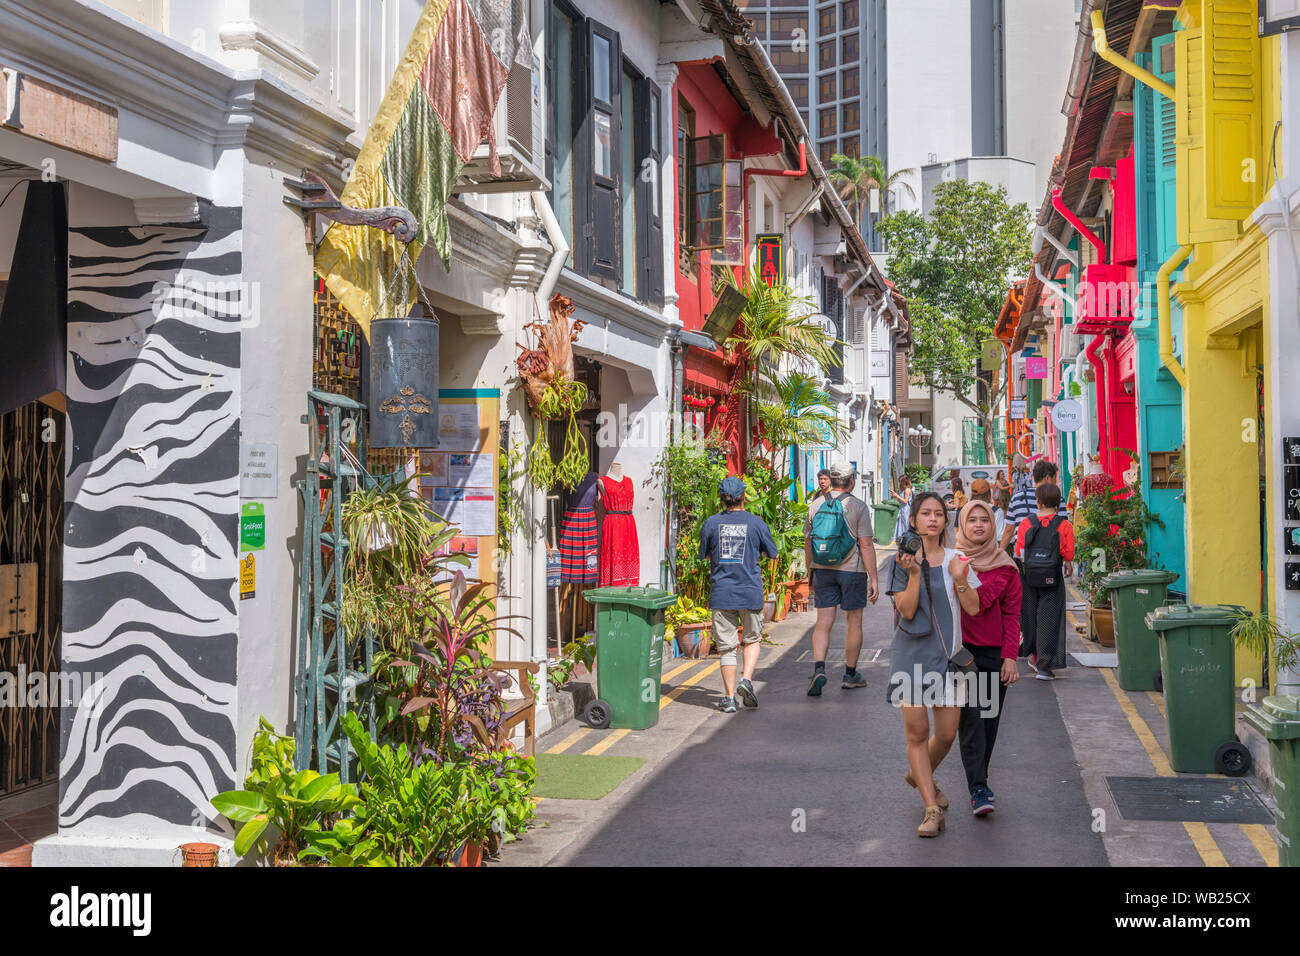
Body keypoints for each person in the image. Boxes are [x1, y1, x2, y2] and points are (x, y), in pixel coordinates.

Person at [885, 492, 981, 837]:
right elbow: (907, 612)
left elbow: (972, 608)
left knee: (946, 734)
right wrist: (913, 574)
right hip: (910, 656)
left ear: (946, 520)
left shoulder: (958, 558)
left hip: (948, 658)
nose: (932, 519)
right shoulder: (901, 561)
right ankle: (930, 809)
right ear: (913, 521)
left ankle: (919, 772)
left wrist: (959, 578)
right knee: (917, 734)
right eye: (925, 513)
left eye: (938, 513)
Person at [954, 499, 1022, 816]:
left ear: (992, 526)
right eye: (973, 520)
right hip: (961, 653)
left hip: (994, 654)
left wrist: (1011, 658)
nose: (979, 525)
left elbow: (1012, 615)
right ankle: (978, 788)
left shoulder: (1007, 567)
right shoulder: (951, 562)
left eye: (984, 519)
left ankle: (980, 779)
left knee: (988, 723)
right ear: (962, 526)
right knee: (970, 721)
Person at [698, 476, 780, 712]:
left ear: (722, 499)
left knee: (726, 647)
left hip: (722, 593)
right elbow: (772, 553)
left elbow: (704, 556)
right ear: (743, 496)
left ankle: (729, 698)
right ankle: (747, 681)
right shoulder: (756, 523)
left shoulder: (711, 524)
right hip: (750, 591)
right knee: (752, 639)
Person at [804, 461, 879, 696]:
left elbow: (808, 542)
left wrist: (810, 571)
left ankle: (819, 667)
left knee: (823, 621)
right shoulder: (858, 506)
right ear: (851, 480)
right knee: (853, 622)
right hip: (852, 571)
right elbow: (866, 545)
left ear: (832, 480)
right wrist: (874, 578)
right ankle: (850, 674)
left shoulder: (815, 505)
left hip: (822, 569)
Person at [1014, 482, 1074, 681]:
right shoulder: (1064, 525)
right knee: (1049, 618)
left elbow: (1019, 553)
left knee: (1030, 617)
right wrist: (1067, 564)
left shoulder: (1026, 524)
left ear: (1037, 502)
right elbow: (1068, 553)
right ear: (1058, 504)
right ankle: (1045, 666)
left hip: (1029, 577)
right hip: (1053, 577)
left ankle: (1033, 654)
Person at [1000, 458, 1063, 554]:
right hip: (1051, 555)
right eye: (1055, 479)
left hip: (1024, 555)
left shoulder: (1017, 497)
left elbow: (1009, 530)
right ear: (1047, 478)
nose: (1055, 483)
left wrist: (999, 553)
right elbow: (1063, 530)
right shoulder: (1058, 498)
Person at [892, 474, 914, 541]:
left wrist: (897, 496)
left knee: (905, 526)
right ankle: (903, 540)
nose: (899, 483)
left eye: (900, 481)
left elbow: (905, 501)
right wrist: (896, 496)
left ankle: (907, 540)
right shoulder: (904, 490)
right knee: (901, 526)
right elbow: (901, 501)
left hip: (906, 510)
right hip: (902, 509)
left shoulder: (907, 490)